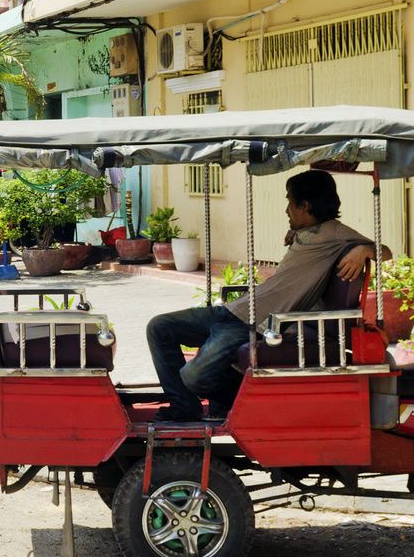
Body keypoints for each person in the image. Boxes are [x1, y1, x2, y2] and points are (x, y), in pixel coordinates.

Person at [145, 170, 377, 423]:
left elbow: (385, 251)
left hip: (252, 323)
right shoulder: (310, 231)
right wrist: (296, 234)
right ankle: (183, 405)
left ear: (305, 205)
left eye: (290, 202)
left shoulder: (334, 232)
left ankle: (236, 395)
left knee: (194, 376)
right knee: (159, 326)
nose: (286, 210)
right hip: (233, 311)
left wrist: (365, 249)